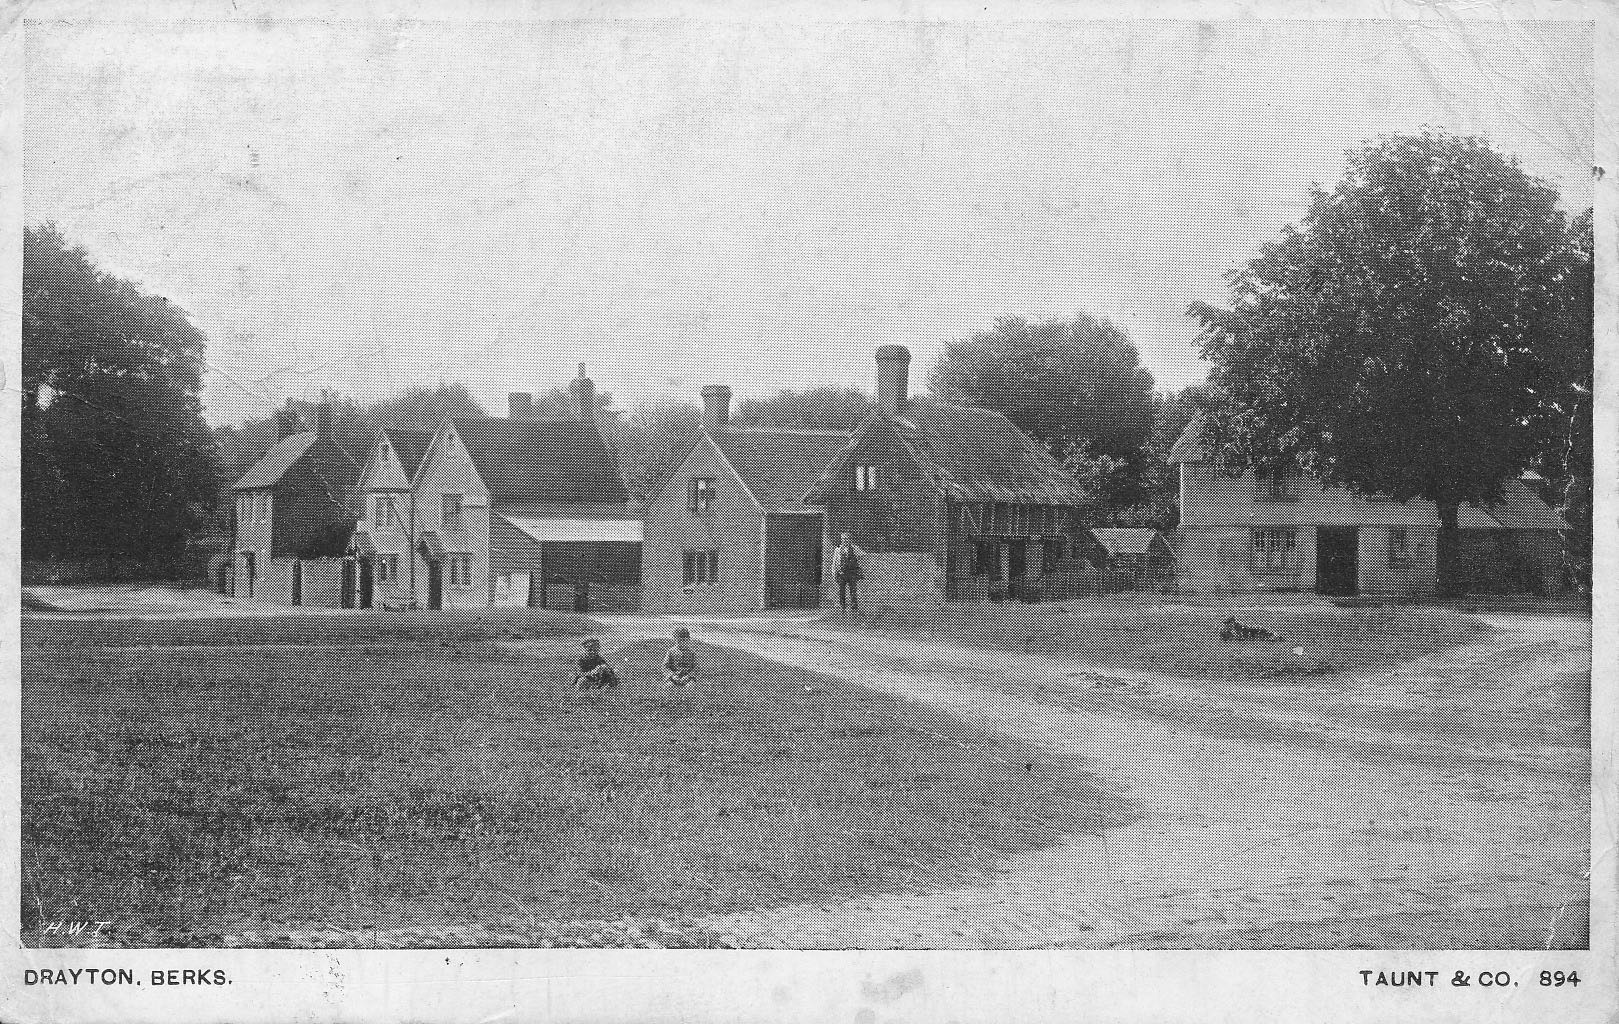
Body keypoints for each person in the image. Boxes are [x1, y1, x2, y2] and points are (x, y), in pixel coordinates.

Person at [832, 533, 864, 612]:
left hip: (852, 573)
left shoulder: (854, 548)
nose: (845, 540)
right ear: (841, 540)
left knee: (853, 591)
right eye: (843, 539)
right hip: (842, 573)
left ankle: (854, 608)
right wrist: (834, 573)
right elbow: (834, 562)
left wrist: (859, 566)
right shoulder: (838, 549)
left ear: (849, 540)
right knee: (841, 591)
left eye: (846, 539)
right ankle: (842, 607)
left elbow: (863, 556)